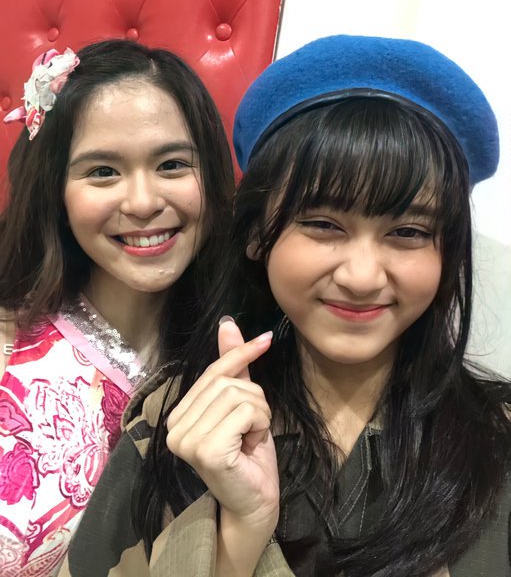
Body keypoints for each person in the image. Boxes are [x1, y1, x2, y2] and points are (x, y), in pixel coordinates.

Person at [64, 35, 510, 577]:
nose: (362, 277)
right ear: (258, 234)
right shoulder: (173, 421)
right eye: (323, 225)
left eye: (409, 232)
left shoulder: (497, 439)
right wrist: (238, 536)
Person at [0, 39, 234, 576]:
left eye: (172, 164)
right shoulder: (9, 340)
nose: (144, 202)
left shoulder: (238, 360)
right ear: (56, 191)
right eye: (103, 171)